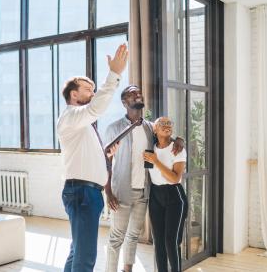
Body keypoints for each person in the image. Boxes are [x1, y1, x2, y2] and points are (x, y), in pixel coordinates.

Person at [57, 43, 128, 272]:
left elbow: (87, 156)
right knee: (85, 256)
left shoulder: (81, 124)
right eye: (88, 90)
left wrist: (106, 156)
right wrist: (114, 74)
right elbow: (95, 109)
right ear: (74, 94)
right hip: (83, 193)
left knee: (78, 250)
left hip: (86, 193)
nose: (93, 93)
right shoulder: (71, 117)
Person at [104, 86, 184, 272]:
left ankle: (127, 269)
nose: (137, 94)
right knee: (116, 237)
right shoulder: (114, 128)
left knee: (133, 235)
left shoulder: (149, 127)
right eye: (132, 94)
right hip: (121, 192)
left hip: (144, 192)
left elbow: (167, 138)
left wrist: (180, 139)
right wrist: (108, 192)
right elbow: (105, 163)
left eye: (138, 92)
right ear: (125, 102)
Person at [143, 117, 188, 272]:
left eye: (169, 123)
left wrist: (156, 161)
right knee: (159, 242)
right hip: (156, 195)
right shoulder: (150, 149)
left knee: (171, 241)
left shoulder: (177, 149)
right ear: (154, 129)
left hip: (174, 196)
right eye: (162, 123)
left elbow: (175, 178)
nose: (167, 125)